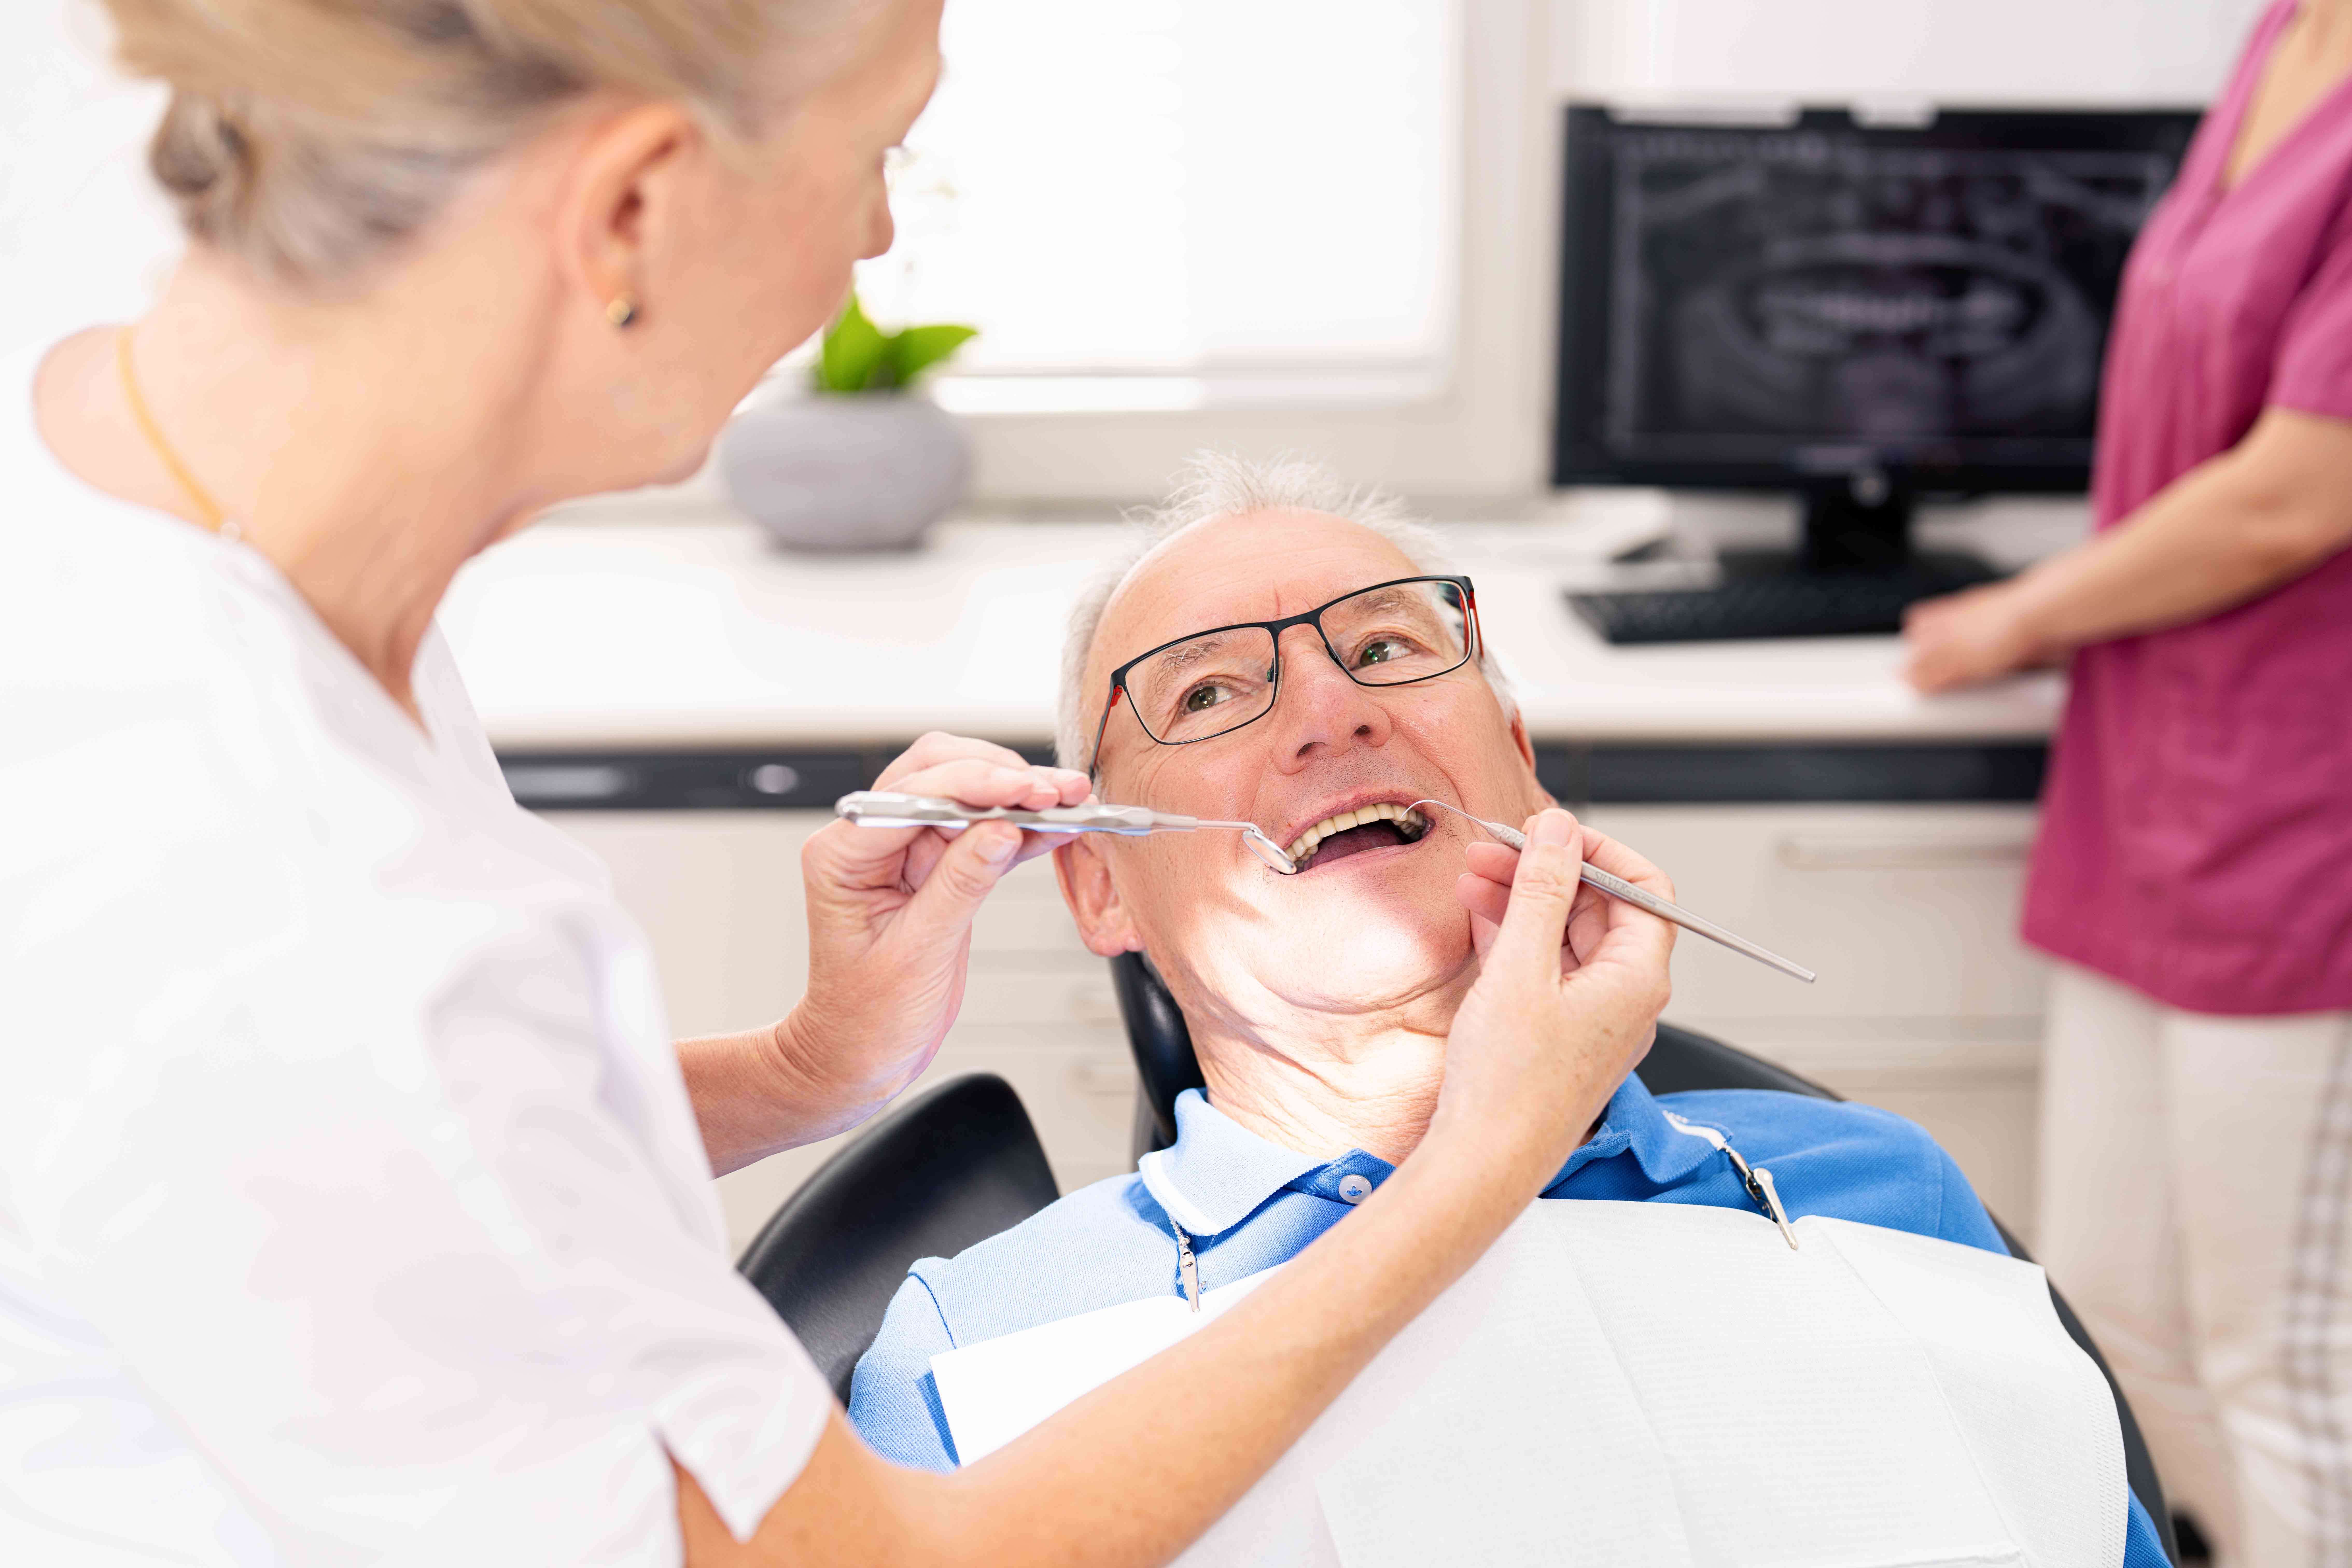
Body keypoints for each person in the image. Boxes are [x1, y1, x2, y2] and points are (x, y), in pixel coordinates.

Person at [0, 3, 1679, 1562]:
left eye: (1385, 651)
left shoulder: (201, 513)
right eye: (880, 149)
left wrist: (806, 1068)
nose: (878, 242)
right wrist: (1483, 1156)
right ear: (633, 216)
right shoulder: (257, 888)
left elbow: (375, 1169)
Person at [843, 456, 2171, 1564]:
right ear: (1097, 886)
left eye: (1384, 646)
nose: (1331, 709)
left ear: (1527, 778)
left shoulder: (1880, 1198)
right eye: (1206, 692)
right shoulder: (983, 1352)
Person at [1902, 3, 2352, 1562]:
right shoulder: (2287, 35)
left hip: (2307, 816)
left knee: (2284, 1369)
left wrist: (2022, 612)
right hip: (2154, 763)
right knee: (2111, 1312)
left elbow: (2299, 491)